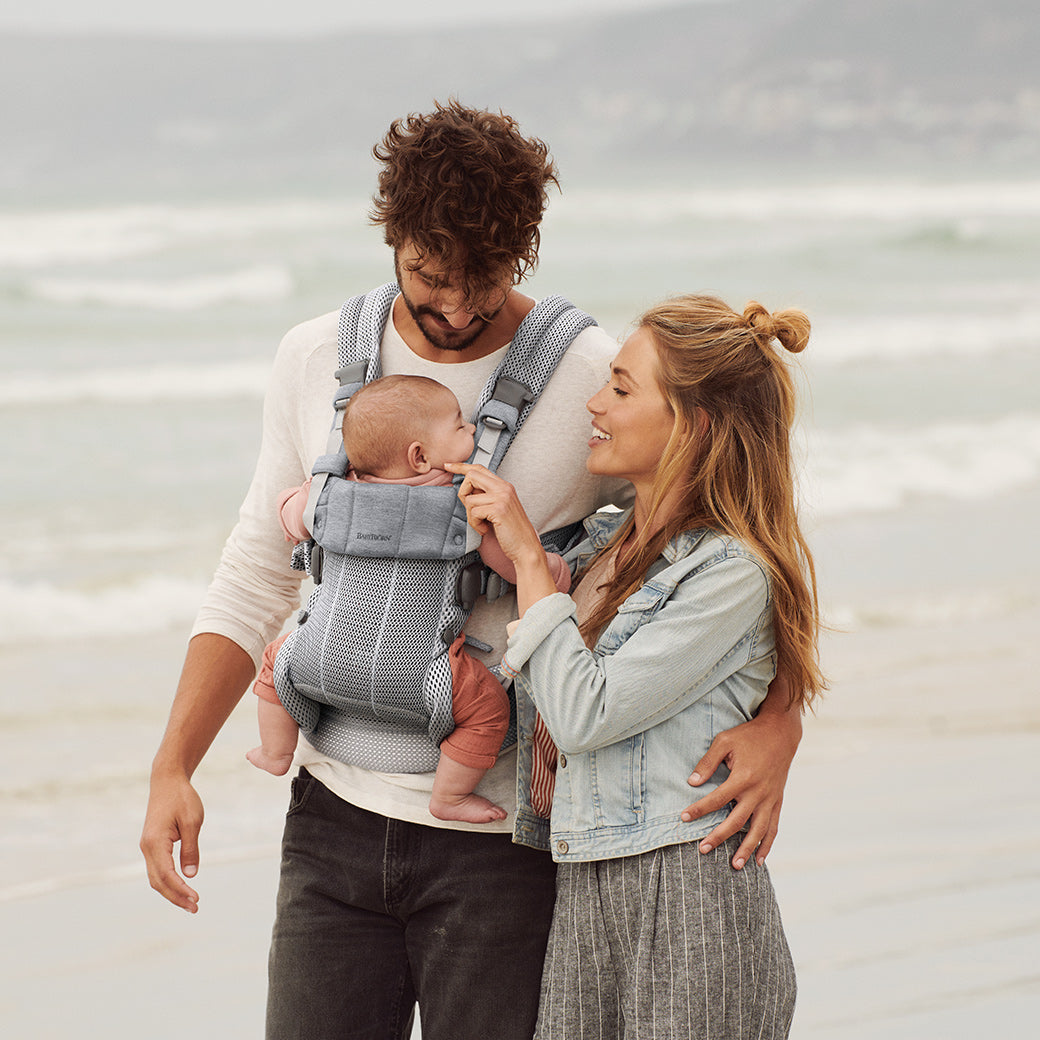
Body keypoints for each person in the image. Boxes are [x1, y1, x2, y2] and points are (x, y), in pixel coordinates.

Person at [140, 101, 804, 1040]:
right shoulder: (315, 357)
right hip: (331, 817)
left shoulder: (590, 376)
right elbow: (254, 574)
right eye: (428, 275)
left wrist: (781, 720)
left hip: (504, 848)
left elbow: (726, 537)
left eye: (484, 280)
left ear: (525, 252)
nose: (455, 306)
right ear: (392, 236)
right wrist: (172, 767)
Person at [451, 293, 825, 1039]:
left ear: (695, 422)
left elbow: (587, 713)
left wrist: (527, 555)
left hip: (687, 888)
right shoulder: (602, 547)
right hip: (584, 881)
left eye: (622, 389)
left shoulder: (728, 570)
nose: (596, 402)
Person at [247, 373, 571, 827]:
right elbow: (522, 568)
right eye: (460, 426)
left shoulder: (325, 495)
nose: (473, 431)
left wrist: (295, 503)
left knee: (273, 662)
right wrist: (555, 571)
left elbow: (288, 519)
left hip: (318, 655)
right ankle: (449, 797)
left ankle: (276, 749)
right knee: (488, 708)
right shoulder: (466, 509)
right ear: (420, 458)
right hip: (422, 673)